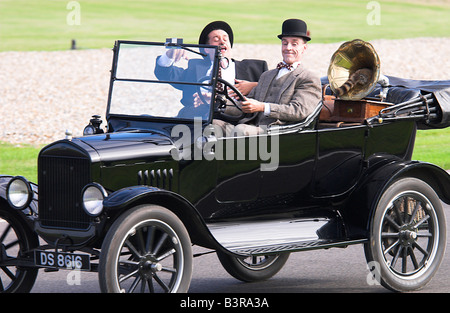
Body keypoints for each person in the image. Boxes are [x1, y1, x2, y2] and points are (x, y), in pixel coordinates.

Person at [223, 19, 322, 136]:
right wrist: (218, 102)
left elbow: (298, 111)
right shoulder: (267, 75)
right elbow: (246, 104)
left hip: (281, 132)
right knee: (214, 125)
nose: (288, 48)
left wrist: (262, 107)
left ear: (304, 48)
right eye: (285, 43)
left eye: (294, 44)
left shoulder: (308, 78)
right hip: (253, 126)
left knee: (241, 130)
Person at [155, 21, 268, 118]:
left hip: (236, 120)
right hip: (198, 120)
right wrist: (169, 55)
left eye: (225, 39)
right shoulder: (194, 68)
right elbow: (165, 73)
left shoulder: (254, 67)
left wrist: (254, 85)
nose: (222, 42)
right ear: (206, 49)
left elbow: (274, 88)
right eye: (216, 39)